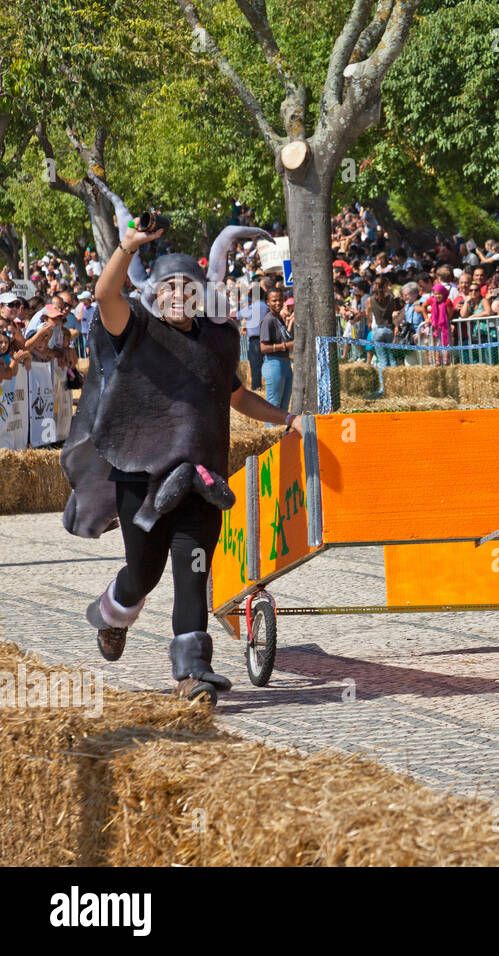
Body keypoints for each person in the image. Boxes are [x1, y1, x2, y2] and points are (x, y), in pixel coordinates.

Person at [62, 183, 298, 705]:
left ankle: (193, 674)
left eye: (187, 287)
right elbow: (105, 296)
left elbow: (237, 397)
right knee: (142, 575)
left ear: (202, 294)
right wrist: (129, 246)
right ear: (154, 294)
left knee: (193, 575)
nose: (178, 294)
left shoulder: (217, 341)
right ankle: (110, 612)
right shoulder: (135, 328)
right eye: (168, 287)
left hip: (201, 481)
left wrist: (287, 419)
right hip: (140, 478)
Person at [259, 287, 293, 415]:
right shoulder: (269, 320)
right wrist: (284, 346)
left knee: (283, 407)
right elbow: (263, 348)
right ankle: (271, 431)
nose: (277, 303)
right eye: (274, 301)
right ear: (267, 302)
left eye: (280, 300)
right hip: (274, 364)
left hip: (284, 363)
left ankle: (282, 434)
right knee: (274, 405)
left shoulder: (278, 318)